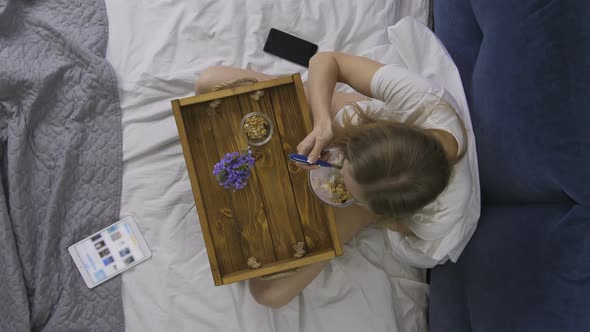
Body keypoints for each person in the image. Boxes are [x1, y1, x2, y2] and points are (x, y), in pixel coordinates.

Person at [195, 51, 480, 308]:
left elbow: (396, 224)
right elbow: (326, 60)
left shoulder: (437, 218)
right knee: (211, 82)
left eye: (348, 186)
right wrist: (322, 122)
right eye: (343, 165)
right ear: (372, 131)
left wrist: (347, 202)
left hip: (374, 205)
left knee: (270, 294)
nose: (330, 167)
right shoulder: (422, 100)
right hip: (369, 128)